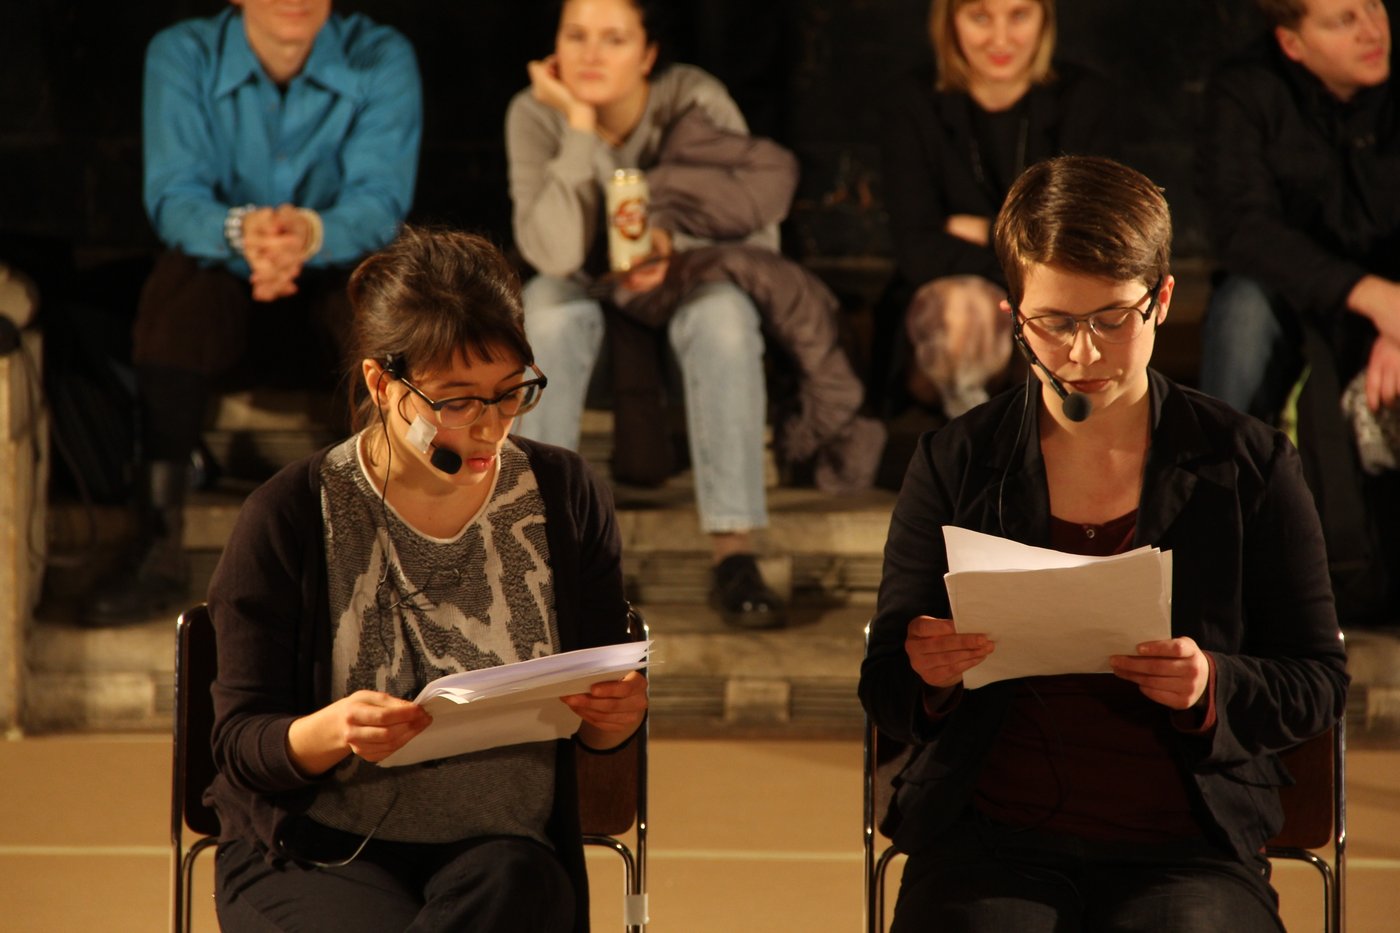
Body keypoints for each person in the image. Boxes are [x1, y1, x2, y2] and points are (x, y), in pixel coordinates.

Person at [859, 155, 1348, 932]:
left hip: (1188, 846)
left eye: (1111, 318)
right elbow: (884, 683)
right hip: (989, 839)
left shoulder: (1246, 462)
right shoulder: (957, 459)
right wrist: (927, 670)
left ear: (1161, 301)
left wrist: (1208, 682)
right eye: (1051, 322)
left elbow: (1319, 680)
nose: (1082, 354)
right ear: (1011, 311)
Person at [204, 226, 648, 932]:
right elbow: (239, 742)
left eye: (509, 394)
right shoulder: (291, 513)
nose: (489, 427)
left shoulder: (563, 495)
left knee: (518, 889)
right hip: (321, 850)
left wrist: (613, 719)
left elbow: (594, 701)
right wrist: (332, 729)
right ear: (383, 383)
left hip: (504, 850)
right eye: (457, 399)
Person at [85, 0, 422, 625]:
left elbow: (379, 199)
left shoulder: (381, 55)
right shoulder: (183, 53)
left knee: (382, 295)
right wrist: (247, 233)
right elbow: (174, 195)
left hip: (328, 281)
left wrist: (307, 232)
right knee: (176, 291)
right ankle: (157, 540)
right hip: (226, 284)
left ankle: (386, 545)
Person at [505, 0, 794, 629]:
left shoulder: (693, 99)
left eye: (613, 39)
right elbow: (550, 253)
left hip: (686, 284)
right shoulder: (534, 112)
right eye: (576, 35)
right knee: (547, 314)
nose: (590, 54)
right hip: (583, 288)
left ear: (648, 52)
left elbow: (757, 232)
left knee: (725, 316)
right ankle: (542, 549)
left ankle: (735, 552)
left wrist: (678, 254)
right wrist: (578, 125)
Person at [1196, 0, 1400, 625]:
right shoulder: (1245, 92)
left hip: (1393, 300)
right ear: (1292, 43)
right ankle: (1210, 542)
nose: (1372, 30)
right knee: (1242, 316)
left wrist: (1396, 317)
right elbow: (1243, 228)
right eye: (1342, 20)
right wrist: (1366, 293)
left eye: (1372, 7)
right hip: (1293, 293)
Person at [878, 0, 1115, 418]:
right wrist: (1027, 254)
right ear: (950, 21)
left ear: (1045, 18)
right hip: (948, 324)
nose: (1000, 39)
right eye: (980, 17)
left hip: (1058, 302)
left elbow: (1086, 240)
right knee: (965, 307)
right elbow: (917, 249)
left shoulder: (1083, 98)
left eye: (1018, 15)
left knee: (1067, 313)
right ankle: (971, 452)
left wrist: (987, 232)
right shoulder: (912, 100)